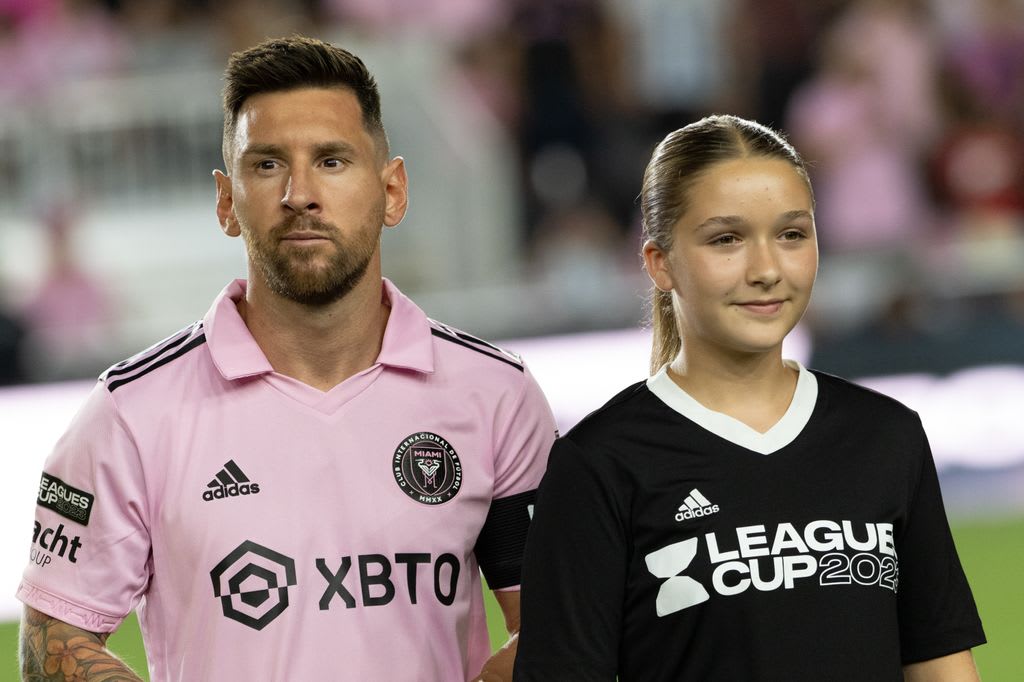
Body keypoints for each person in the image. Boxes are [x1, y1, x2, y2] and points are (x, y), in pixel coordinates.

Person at [18, 36, 556, 682]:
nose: (300, 193)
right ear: (226, 201)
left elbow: (558, 630)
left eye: (331, 161)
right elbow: (52, 643)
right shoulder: (128, 413)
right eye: (268, 164)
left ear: (392, 191)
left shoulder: (495, 395)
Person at [513, 114, 986, 681]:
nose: (766, 269)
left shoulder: (886, 436)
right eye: (726, 239)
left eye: (791, 234)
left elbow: (941, 666)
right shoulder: (599, 464)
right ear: (660, 264)